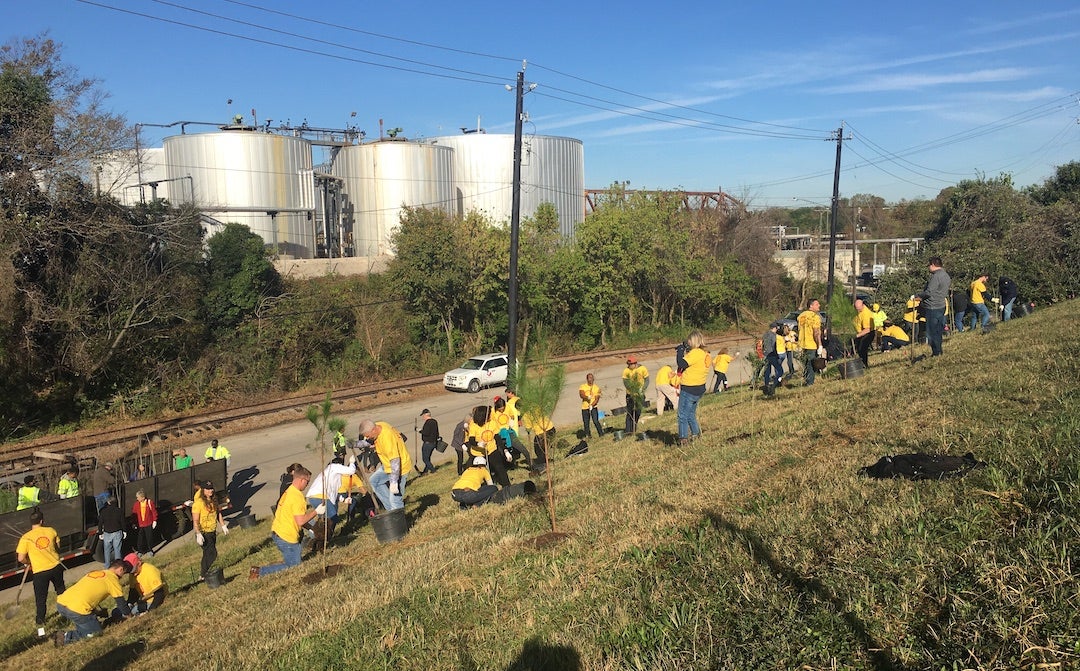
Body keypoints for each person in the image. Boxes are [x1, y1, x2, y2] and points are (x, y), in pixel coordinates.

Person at [252, 465, 322, 580]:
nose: (307, 485)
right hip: (287, 536)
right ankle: (259, 572)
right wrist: (316, 512)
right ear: (301, 480)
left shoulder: (288, 491)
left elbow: (294, 516)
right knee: (294, 566)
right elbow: (300, 521)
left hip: (278, 531)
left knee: (293, 560)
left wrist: (310, 527)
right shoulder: (297, 497)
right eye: (307, 482)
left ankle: (263, 570)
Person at [54, 559, 132, 646]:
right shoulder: (112, 580)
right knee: (95, 633)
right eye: (123, 573)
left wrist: (97, 613)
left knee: (86, 622)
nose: (122, 576)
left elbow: (87, 595)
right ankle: (66, 637)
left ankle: (85, 626)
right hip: (77, 610)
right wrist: (129, 616)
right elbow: (121, 603)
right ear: (120, 569)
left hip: (62, 603)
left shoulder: (95, 573)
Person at [17, 509, 66, 638]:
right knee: (61, 590)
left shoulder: (25, 538)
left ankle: (41, 624)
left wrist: (29, 562)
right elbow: (58, 547)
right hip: (55, 566)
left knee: (41, 598)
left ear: (31, 522)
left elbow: (20, 558)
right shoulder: (51, 531)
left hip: (39, 571)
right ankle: (67, 611)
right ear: (42, 521)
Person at [359, 419, 412, 511]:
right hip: (388, 466)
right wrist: (356, 444)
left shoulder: (387, 438)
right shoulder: (380, 426)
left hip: (399, 468)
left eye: (367, 436)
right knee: (374, 481)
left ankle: (399, 520)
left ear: (373, 430)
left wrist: (394, 482)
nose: (367, 438)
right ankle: (391, 511)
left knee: (395, 499)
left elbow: (395, 461)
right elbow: (369, 442)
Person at [305, 454, 356, 541]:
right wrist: (352, 463)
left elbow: (334, 493)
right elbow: (351, 471)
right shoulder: (334, 467)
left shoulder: (329, 474)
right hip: (320, 496)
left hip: (314, 497)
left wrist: (344, 500)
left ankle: (318, 538)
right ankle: (324, 538)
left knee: (325, 521)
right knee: (332, 518)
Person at [676, 330, 711, 445]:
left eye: (689, 340)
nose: (688, 342)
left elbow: (681, 364)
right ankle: (696, 434)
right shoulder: (705, 354)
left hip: (689, 388)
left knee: (682, 415)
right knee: (690, 413)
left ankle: (683, 438)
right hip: (699, 388)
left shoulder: (695, 353)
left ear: (694, 341)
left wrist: (680, 351)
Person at [466, 405, 511, 488]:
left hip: (492, 450)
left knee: (500, 468)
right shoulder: (473, 425)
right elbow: (471, 440)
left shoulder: (492, 423)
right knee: (480, 472)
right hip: (478, 453)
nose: (491, 415)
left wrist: (505, 451)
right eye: (489, 413)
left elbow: (497, 438)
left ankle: (507, 486)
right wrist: (478, 444)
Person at [191, 480, 228, 578]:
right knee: (212, 553)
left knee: (207, 553)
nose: (210, 491)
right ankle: (203, 574)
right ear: (203, 491)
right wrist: (198, 533)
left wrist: (223, 525)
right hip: (203, 532)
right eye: (207, 489)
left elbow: (218, 513)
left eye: (211, 488)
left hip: (212, 531)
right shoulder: (198, 503)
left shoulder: (214, 500)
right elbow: (195, 520)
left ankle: (203, 574)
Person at [920, 257, 951, 356]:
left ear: (933, 265)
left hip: (932, 306)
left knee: (932, 332)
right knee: (938, 330)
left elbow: (929, 292)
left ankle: (936, 352)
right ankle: (939, 350)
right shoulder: (946, 275)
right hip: (941, 305)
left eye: (929, 265)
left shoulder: (936, 277)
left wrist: (918, 296)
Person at [493, 396, 533, 469]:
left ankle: (531, 465)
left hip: (509, 432)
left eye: (503, 409)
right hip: (500, 434)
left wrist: (512, 420)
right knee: (502, 453)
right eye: (500, 410)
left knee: (521, 448)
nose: (502, 411)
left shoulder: (507, 407)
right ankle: (507, 466)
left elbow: (512, 415)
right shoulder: (493, 412)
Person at [621, 357, 649, 434]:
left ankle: (634, 429)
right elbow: (626, 383)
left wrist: (642, 389)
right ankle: (628, 431)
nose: (629, 366)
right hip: (630, 395)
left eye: (630, 364)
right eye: (628, 364)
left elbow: (647, 380)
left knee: (638, 412)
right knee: (630, 413)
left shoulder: (642, 369)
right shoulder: (626, 371)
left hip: (640, 394)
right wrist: (632, 390)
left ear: (635, 364)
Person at [98, 495, 125, 567]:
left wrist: (100, 532)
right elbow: (123, 522)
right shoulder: (119, 511)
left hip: (107, 533)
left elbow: (100, 523)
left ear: (108, 502)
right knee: (117, 550)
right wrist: (124, 531)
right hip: (117, 532)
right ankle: (118, 566)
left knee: (107, 551)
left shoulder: (103, 512)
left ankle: (107, 565)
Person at [131, 490, 158, 557]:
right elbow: (134, 514)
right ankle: (140, 551)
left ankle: (150, 550)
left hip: (148, 523)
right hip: (140, 524)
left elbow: (154, 512)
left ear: (143, 497)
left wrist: (155, 520)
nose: (137, 499)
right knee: (140, 538)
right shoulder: (136, 504)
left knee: (149, 537)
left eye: (138, 497)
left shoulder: (149, 502)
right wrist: (134, 523)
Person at [578, 373, 603, 438]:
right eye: (589, 378)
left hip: (593, 407)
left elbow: (597, 399)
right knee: (586, 423)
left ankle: (601, 434)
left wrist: (592, 405)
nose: (591, 379)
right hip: (585, 407)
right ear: (587, 379)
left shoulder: (597, 388)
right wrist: (587, 397)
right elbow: (581, 394)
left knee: (595, 421)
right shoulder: (583, 386)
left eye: (592, 378)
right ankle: (588, 436)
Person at [761, 323, 783, 396]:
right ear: (774, 328)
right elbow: (774, 346)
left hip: (765, 354)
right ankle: (773, 385)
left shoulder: (765, 334)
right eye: (776, 328)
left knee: (767, 371)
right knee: (780, 371)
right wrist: (776, 355)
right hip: (772, 354)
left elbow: (763, 345)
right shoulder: (773, 335)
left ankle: (766, 385)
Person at [853, 298, 874, 368]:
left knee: (862, 348)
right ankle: (861, 364)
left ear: (863, 305)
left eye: (859, 309)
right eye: (856, 309)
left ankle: (865, 365)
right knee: (858, 349)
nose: (857, 310)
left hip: (868, 333)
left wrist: (857, 335)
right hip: (859, 333)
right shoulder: (857, 311)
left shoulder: (866, 314)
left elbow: (868, 329)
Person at [418, 409, 440, 474]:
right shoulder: (434, 421)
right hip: (433, 443)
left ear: (426, 415)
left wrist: (419, 430)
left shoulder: (428, 422)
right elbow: (436, 432)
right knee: (428, 458)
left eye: (423, 415)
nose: (423, 417)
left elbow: (426, 432)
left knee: (425, 459)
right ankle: (425, 471)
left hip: (428, 443)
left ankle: (433, 470)